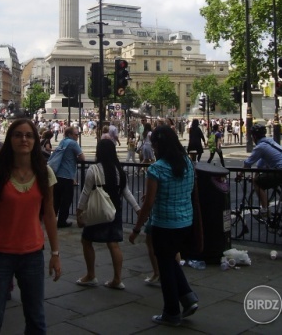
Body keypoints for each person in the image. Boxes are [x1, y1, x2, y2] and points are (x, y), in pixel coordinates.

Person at [0, 119, 61, 335]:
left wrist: (55, 253)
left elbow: (50, 214)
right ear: (10, 139)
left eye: (29, 135)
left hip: (32, 255)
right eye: (18, 135)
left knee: (36, 318)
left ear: (35, 140)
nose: (24, 139)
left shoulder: (45, 173)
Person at [129, 126, 198, 327]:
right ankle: (188, 297)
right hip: (185, 222)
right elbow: (187, 189)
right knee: (170, 261)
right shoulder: (187, 162)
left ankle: (171, 312)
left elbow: (148, 204)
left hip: (165, 224)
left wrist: (136, 229)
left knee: (165, 269)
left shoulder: (157, 168)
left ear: (159, 145)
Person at [75, 139, 140, 289]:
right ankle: (117, 279)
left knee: (86, 241)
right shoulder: (119, 170)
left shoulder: (94, 169)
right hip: (114, 210)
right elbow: (126, 192)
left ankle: (91, 275)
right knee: (113, 244)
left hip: (97, 212)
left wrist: (79, 212)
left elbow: (85, 193)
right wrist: (137, 209)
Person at [243, 124, 282, 222]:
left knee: (257, 182)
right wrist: (256, 174)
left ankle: (265, 210)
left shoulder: (260, 147)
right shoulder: (271, 142)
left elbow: (247, 163)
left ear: (254, 137)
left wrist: (240, 175)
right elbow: (260, 164)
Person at [52, 126, 85, 228]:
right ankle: (62, 221)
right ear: (70, 135)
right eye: (76, 134)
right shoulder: (73, 143)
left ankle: (52, 219)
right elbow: (82, 158)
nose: (77, 136)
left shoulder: (63, 142)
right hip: (67, 175)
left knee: (56, 199)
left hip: (57, 174)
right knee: (66, 200)